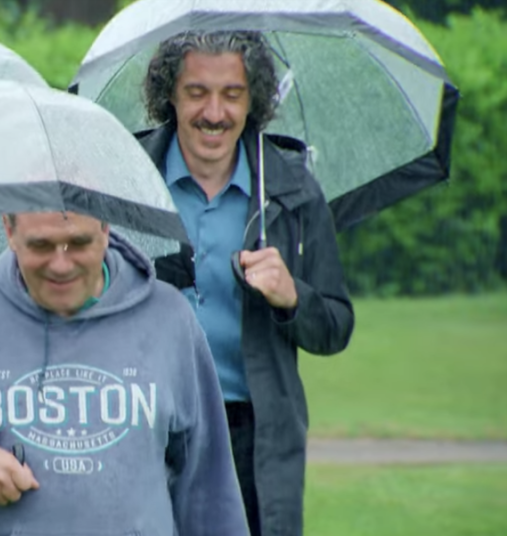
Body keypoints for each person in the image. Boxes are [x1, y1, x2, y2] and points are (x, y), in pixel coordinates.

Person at [0, 211, 250, 535]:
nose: (61, 264)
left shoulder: (168, 316)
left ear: (105, 228)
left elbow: (208, 480)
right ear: (9, 230)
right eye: (41, 245)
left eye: (78, 243)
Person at [138, 30, 356, 536]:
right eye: (197, 92)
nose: (214, 112)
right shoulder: (129, 179)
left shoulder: (294, 189)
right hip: (147, 424)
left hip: (255, 437)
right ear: (169, 94)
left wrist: (291, 297)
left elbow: (336, 325)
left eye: (231, 94)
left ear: (252, 98)